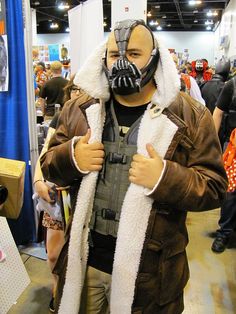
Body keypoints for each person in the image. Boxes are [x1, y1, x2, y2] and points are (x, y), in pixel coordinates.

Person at [41, 19, 227, 314]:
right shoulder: (79, 109)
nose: (122, 63)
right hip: (85, 264)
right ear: (104, 57)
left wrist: (165, 178)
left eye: (134, 54)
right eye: (115, 55)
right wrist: (73, 156)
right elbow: (48, 165)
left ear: (155, 57)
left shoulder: (192, 115)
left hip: (150, 275)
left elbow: (215, 187)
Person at [34, 76, 84, 312]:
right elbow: (46, 152)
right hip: (56, 197)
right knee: (53, 255)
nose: (77, 93)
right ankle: (57, 291)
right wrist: (37, 181)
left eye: (82, 89)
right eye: (74, 88)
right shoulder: (63, 115)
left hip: (83, 199)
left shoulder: (100, 117)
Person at [211, 76, 236, 253]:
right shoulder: (232, 84)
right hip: (233, 145)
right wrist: (210, 143)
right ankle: (224, 232)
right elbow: (218, 112)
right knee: (231, 192)